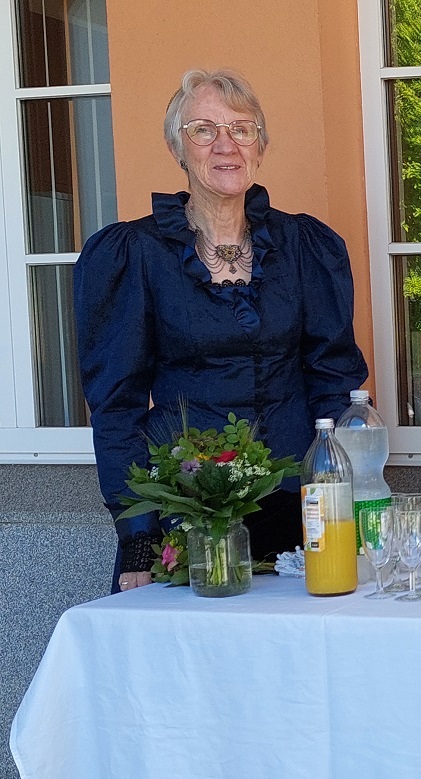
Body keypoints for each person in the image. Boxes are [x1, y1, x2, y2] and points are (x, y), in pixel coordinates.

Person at [76, 68, 368, 593]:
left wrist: (349, 505)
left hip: (303, 511)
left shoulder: (305, 246)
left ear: (260, 146)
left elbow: (335, 385)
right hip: (187, 511)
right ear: (178, 149)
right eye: (204, 130)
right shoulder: (133, 254)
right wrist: (138, 540)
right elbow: (117, 409)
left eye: (241, 128)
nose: (226, 144)